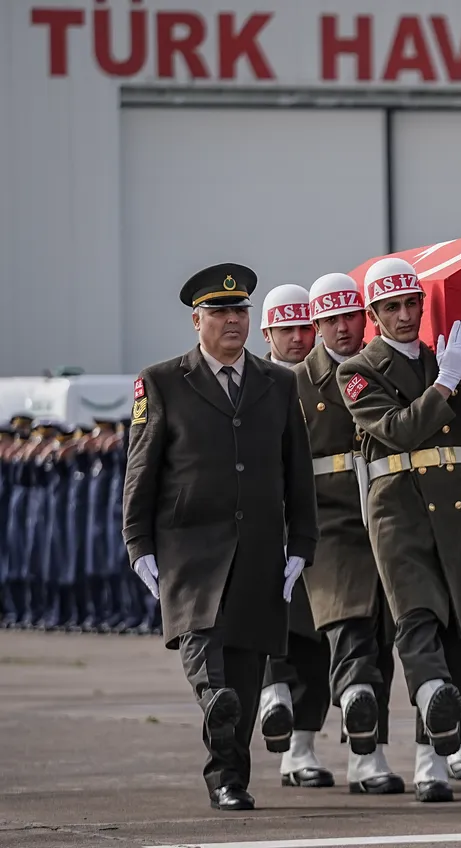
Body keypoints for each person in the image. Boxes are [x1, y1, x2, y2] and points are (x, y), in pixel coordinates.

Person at [122, 262, 318, 811]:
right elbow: (141, 468)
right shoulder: (161, 382)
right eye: (220, 312)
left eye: (240, 311)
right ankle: (215, 702)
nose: (233, 321)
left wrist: (302, 543)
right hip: (188, 548)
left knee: (247, 676)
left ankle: (229, 779)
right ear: (196, 320)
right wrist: (137, 541)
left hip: (258, 549)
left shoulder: (278, 382)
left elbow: (296, 469)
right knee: (207, 658)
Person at [335, 256, 461, 803]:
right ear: (373, 314)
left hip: (459, 511)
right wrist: (444, 382)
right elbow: (397, 430)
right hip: (399, 510)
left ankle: (430, 761)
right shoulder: (357, 371)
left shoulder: (446, 359)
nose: (403, 316)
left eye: (411, 304)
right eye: (390, 307)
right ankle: (433, 693)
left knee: (457, 633)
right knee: (416, 618)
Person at [292, 272, 405, 794]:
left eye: (350, 317)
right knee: (346, 631)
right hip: (325, 523)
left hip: (381, 518)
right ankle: (320, 744)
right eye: (331, 320)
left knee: (380, 640)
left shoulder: (381, 369)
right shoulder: (290, 383)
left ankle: (368, 756)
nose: (342, 328)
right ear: (315, 325)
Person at [255, 283, 334, 788]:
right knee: (265, 622)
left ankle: (300, 750)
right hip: (260, 521)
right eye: (287, 329)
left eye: (307, 327)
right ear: (267, 334)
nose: (299, 339)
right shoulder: (249, 383)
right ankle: (271, 696)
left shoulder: (333, 381)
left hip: (319, 522)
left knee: (316, 636)